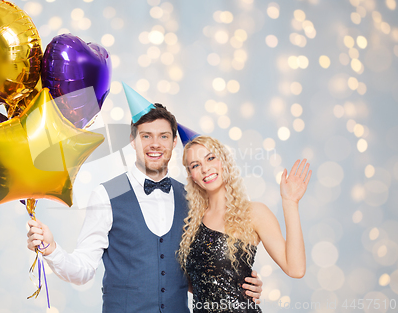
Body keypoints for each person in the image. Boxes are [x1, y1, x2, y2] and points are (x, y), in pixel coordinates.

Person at [27, 102, 264, 312]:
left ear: (173, 142)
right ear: (133, 141)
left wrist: (240, 282)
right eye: (146, 136)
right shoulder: (105, 195)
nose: (155, 144)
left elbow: (202, 269)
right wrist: (51, 249)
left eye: (163, 136)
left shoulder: (193, 200)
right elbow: (83, 271)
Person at [178, 135, 311, 312]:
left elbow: (296, 269)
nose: (205, 169)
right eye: (195, 165)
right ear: (191, 176)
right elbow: (196, 281)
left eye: (210, 158)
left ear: (224, 161)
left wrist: (290, 202)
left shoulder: (254, 213)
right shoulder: (191, 222)